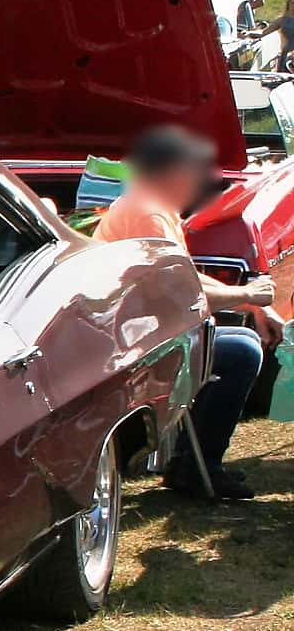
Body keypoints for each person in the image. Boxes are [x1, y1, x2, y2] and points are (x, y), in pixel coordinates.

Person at [96, 125, 278, 499]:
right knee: (243, 352)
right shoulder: (147, 211)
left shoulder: (149, 205)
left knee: (240, 340)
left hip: (137, 332)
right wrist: (248, 294)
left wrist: (250, 304)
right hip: (131, 347)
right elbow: (178, 290)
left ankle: (191, 464)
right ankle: (196, 469)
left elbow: (184, 277)